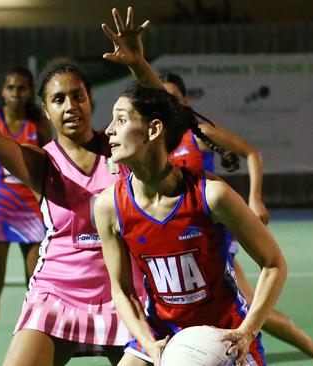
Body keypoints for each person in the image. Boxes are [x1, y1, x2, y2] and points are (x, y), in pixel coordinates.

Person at [0, 7, 159, 366]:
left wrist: (137, 63)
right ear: (45, 110)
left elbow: (161, 110)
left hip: (125, 292)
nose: (70, 105)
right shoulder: (43, 161)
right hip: (58, 291)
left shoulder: (122, 149)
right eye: (58, 99)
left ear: (90, 99)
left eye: (78, 96)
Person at [95, 83, 288, 366]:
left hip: (226, 334)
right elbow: (121, 289)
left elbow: (274, 263)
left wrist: (247, 330)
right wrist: (147, 341)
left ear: (153, 130)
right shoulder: (109, 206)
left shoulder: (211, 194)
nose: (109, 129)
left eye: (121, 120)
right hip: (160, 332)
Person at [162, 73, 313, 366]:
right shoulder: (154, 143)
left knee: (256, 310)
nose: (166, 103)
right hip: (176, 243)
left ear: (184, 100)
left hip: (211, 237)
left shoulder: (199, 134)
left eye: (171, 97)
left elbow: (251, 153)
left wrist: (254, 197)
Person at [0, 66, 52, 366]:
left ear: (29, 92)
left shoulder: (39, 125)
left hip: (33, 213)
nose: (16, 93)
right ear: (2, 91)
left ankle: (32, 350)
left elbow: (49, 170)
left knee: (35, 288)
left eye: (22, 88)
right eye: (10, 87)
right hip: (0, 213)